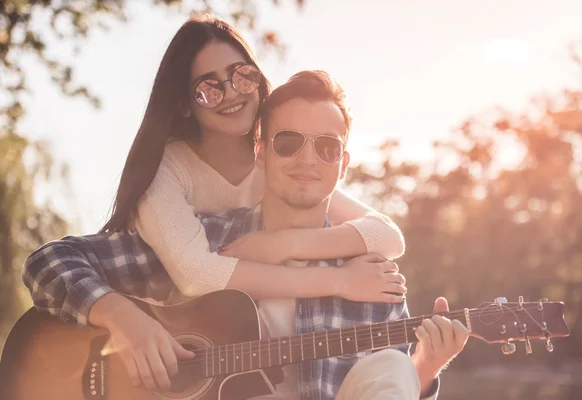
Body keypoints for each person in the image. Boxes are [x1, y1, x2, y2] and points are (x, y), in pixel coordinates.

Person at [23, 13, 408, 393]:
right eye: (209, 88)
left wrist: (282, 244)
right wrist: (123, 318)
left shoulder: (289, 162)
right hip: (187, 287)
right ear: (185, 105)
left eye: (242, 75)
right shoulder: (170, 174)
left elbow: (385, 236)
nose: (233, 94)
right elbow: (195, 275)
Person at [190, 70, 469, 399]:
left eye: (327, 147)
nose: (308, 159)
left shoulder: (374, 278)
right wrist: (132, 325)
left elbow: (390, 388)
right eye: (289, 142)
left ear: (343, 164)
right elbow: (110, 267)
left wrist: (426, 365)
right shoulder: (204, 237)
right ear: (261, 151)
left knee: (392, 366)